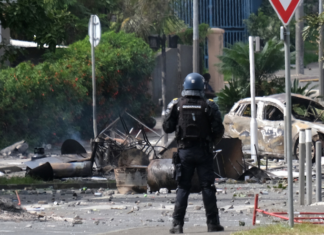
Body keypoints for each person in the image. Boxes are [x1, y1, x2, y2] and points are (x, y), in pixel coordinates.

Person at [163, 73, 224, 234]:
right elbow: (219, 129)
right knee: (207, 187)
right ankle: (212, 224)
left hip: (184, 152)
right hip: (204, 151)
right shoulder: (209, 105)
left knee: (183, 187)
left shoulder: (177, 105)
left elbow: (167, 127)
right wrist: (211, 143)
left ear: (185, 87)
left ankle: (177, 225)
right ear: (202, 87)